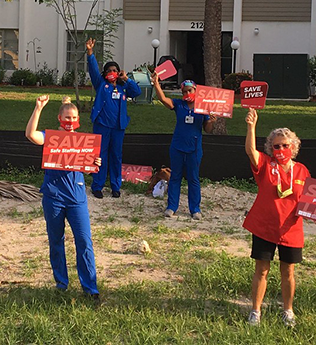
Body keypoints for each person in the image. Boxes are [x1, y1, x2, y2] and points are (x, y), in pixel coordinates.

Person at [241, 109, 316, 328]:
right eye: (276, 146)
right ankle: (255, 311)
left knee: (288, 272)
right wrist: (251, 126)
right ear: (271, 148)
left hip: (291, 230)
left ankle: (288, 310)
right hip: (265, 226)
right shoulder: (265, 166)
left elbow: (309, 202)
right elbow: (251, 151)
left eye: (285, 145)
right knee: (261, 270)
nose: (280, 149)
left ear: (293, 147)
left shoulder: (302, 170)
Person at [24, 95, 102, 301]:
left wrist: (95, 161)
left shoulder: (83, 141)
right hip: (54, 197)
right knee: (56, 241)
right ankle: (61, 283)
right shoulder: (51, 138)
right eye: (67, 117)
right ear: (59, 118)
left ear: (78, 119)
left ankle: (90, 287)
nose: (70, 121)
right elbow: (31, 135)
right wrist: (38, 108)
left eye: (74, 117)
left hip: (76, 197)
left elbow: (87, 166)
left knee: (84, 241)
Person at [85, 38, 141, 199]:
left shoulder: (123, 87)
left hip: (118, 127)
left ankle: (116, 186)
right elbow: (93, 69)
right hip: (102, 125)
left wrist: (127, 78)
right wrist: (90, 52)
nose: (112, 73)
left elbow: (137, 92)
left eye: (114, 70)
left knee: (116, 155)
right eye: (109, 71)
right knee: (100, 156)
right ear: (105, 74)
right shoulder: (101, 84)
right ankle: (98, 186)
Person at [153, 79, 215, 219]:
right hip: (177, 147)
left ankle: (195, 209)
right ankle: (171, 206)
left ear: (195, 91)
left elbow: (208, 129)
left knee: (193, 178)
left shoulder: (203, 107)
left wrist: (211, 121)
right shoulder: (179, 104)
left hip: (194, 148)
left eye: (190, 90)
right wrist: (156, 83)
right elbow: (163, 99)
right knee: (175, 177)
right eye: (184, 91)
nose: (187, 93)